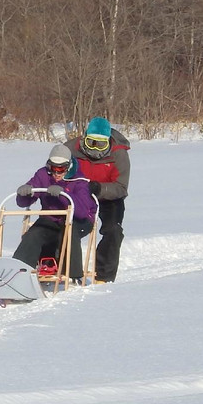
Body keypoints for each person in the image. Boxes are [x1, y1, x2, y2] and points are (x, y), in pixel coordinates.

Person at [13, 143, 96, 282]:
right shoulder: (43, 175)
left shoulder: (79, 180)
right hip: (52, 218)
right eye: (53, 168)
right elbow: (23, 202)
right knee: (34, 234)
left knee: (69, 231)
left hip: (80, 220)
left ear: (68, 167)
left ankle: (73, 274)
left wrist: (64, 194)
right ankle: (19, 273)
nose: (57, 173)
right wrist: (24, 194)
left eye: (61, 169)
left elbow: (82, 211)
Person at [63, 117, 130, 283]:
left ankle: (104, 276)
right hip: (79, 195)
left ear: (108, 142)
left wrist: (100, 188)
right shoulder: (70, 149)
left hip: (108, 196)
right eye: (91, 142)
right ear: (84, 137)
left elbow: (121, 187)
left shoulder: (119, 154)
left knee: (113, 230)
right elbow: (58, 174)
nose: (94, 149)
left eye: (100, 144)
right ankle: (62, 267)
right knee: (62, 225)